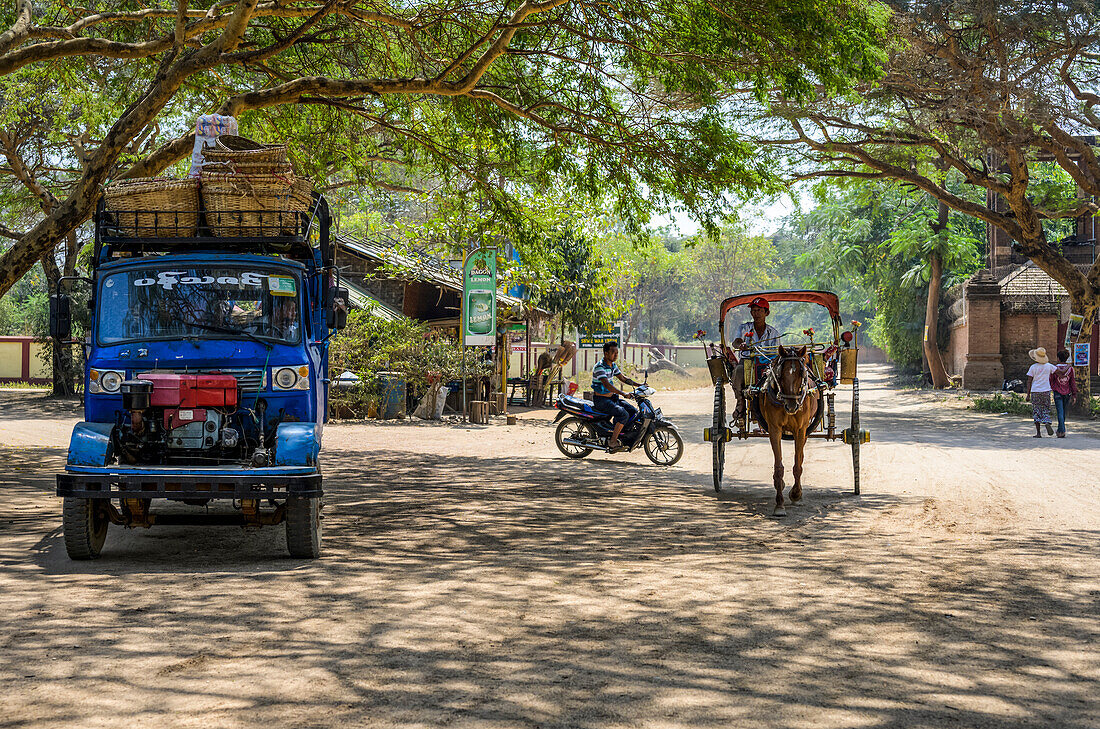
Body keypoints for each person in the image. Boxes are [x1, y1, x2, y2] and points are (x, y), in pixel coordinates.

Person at [732, 297, 782, 418]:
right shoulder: (744, 328)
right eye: (754, 311)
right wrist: (741, 345)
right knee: (738, 372)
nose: (756, 313)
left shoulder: (773, 332)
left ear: (766, 313)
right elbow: (736, 342)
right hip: (748, 362)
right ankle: (740, 402)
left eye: (759, 310)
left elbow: (776, 353)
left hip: (768, 363)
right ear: (751, 313)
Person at [592, 340, 642, 452]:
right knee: (623, 414)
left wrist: (640, 385)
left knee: (632, 411)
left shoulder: (612, 365)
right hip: (601, 400)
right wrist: (623, 393)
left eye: (617, 352)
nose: (616, 355)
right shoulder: (599, 367)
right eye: (613, 352)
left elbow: (623, 378)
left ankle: (621, 434)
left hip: (611, 399)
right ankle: (612, 441)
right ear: (606, 353)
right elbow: (607, 385)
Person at [1025, 347, 1057, 437]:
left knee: (1036, 411)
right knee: (1046, 409)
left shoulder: (1033, 367)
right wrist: (1068, 368)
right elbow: (1059, 372)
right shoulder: (1049, 366)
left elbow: (1029, 381)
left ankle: (1038, 433)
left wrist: (1028, 395)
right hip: (1046, 391)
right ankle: (1046, 421)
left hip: (1035, 391)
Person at [1051, 349, 1078, 438]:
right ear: (1066, 358)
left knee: (1060, 412)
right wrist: (1074, 394)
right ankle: (1061, 431)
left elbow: (1051, 380)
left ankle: (1061, 431)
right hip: (1067, 393)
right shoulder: (1070, 369)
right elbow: (1072, 382)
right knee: (1064, 412)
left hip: (1057, 392)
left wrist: (1053, 388)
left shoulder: (1054, 368)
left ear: (1058, 358)